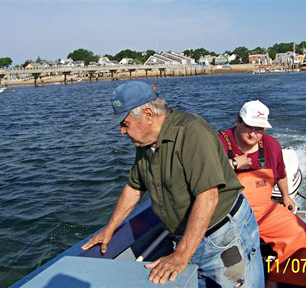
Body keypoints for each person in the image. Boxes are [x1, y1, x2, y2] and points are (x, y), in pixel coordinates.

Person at [81, 81, 264, 287]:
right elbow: (135, 186)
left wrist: (181, 255)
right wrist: (110, 228)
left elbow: (208, 196)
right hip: (188, 237)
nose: (122, 132)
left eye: (125, 124)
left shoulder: (192, 132)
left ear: (148, 115)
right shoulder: (145, 143)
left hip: (224, 238)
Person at [218, 100, 306, 287]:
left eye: (259, 129)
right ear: (238, 121)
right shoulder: (218, 141)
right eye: (249, 127)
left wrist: (286, 196)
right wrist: (234, 164)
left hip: (261, 210)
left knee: (300, 233)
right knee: (229, 253)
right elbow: (203, 173)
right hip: (225, 213)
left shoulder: (271, 145)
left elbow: (280, 174)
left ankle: (276, 280)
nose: (253, 134)